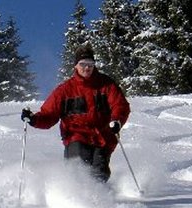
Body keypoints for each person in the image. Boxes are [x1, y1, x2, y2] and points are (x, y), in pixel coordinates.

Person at [21, 44, 131, 182]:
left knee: (99, 172)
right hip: (76, 135)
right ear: (76, 66)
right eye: (83, 64)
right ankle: (74, 198)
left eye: (90, 64)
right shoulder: (65, 90)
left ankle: (99, 199)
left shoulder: (106, 84)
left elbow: (120, 105)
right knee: (79, 168)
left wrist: (117, 120)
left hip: (103, 136)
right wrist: (33, 119)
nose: (87, 67)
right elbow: (49, 114)